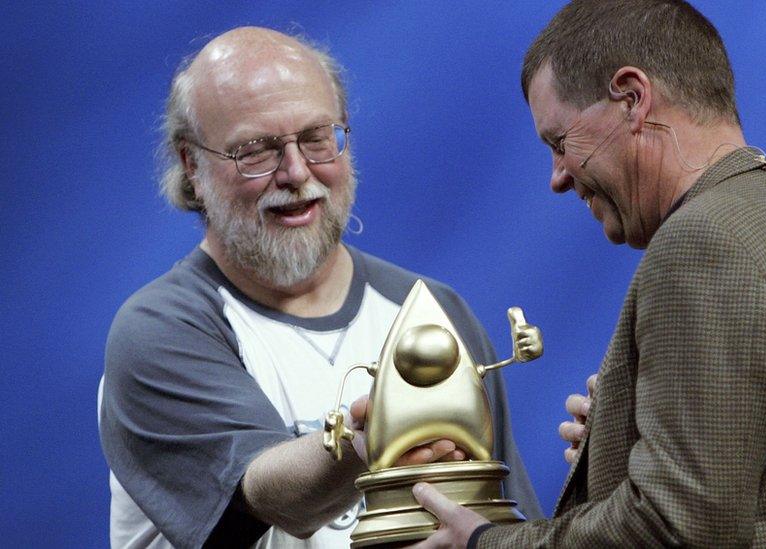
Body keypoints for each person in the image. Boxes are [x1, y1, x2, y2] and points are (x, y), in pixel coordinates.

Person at [412, 1, 766, 547]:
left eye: (560, 144)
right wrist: (635, 435)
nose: (558, 178)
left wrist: (485, 542)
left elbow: (671, 526)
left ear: (633, 99)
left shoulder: (704, 245)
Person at [98, 27, 541, 548]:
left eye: (317, 138)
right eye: (256, 151)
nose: (296, 171)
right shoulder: (160, 330)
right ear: (192, 165)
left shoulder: (431, 312)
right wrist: (371, 438)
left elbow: (504, 524)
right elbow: (275, 499)